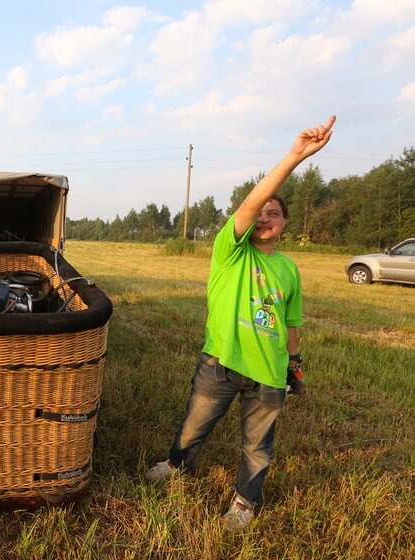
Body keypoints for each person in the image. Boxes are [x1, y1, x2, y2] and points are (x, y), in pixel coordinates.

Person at [144, 116, 336, 529]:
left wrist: (293, 362)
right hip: (222, 363)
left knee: (257, 447)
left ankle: (244, 504)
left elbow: (291, 320)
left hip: (268, 373)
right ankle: (178, 465)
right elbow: (251, 205)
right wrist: (295, 156)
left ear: (284, 225)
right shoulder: (230, 251)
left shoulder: (289, 269)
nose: (265, 217)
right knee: (194, 426)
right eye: (261, 212)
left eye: (275, 214)